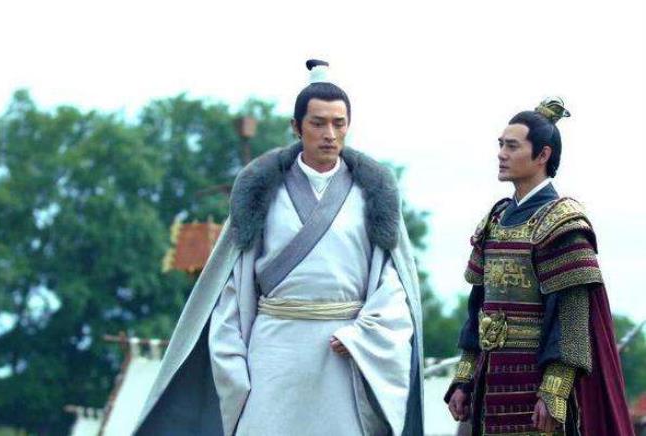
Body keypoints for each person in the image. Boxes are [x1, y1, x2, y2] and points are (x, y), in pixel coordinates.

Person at [134, 59, 424, 436]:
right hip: (273, 350)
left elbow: (393, 285)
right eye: (318, 123)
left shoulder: (371, 193)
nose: (329, 134)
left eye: (339, 123)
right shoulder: (264, 191)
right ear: (296, 126)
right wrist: (233, 361)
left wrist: (364, 335)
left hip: (346, 350)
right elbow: (233, 285)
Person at [445, 97, 633, 435]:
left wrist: (554, 391)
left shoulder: (562, 223)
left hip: (537, 386)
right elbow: (478, 308)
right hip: (492, 382)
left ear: (543, 155)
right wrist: (464, 378)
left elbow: (572, 317)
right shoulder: (494, 221)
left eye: (512, 146)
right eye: (501, 145)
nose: (501, 154)